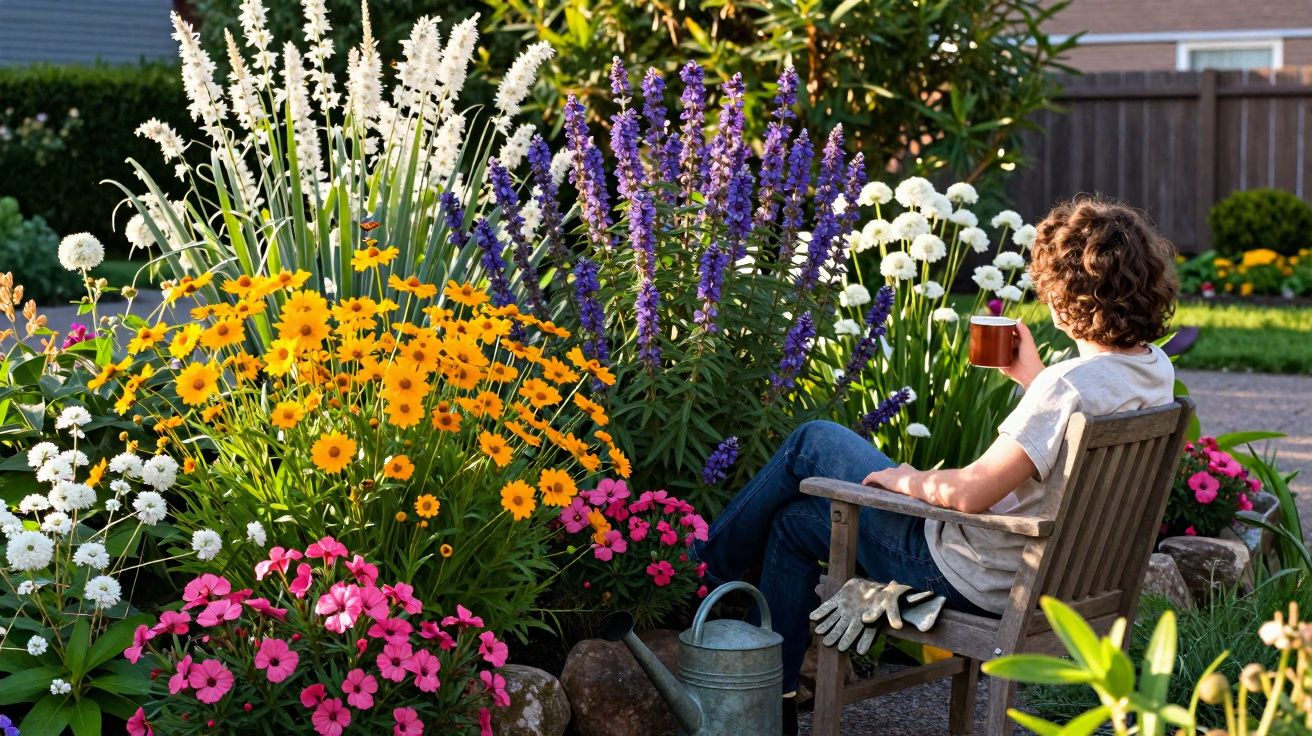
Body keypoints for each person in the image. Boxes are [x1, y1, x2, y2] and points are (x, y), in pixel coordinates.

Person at [694, 197, 1180, 733]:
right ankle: (776, 700)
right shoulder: (1153, 371)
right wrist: (1033, 380)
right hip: (1062, 585)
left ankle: (705, 570)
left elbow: (971, 493)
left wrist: (907, 478)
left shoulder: (1065, 388)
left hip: (973, 578)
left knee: (814, 440)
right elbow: (1069, 429)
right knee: (793, 524)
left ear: (1064, 302)